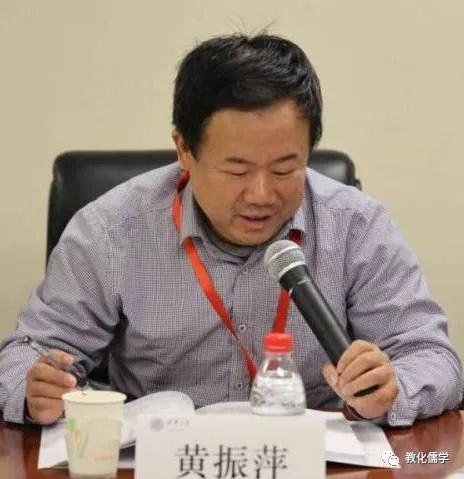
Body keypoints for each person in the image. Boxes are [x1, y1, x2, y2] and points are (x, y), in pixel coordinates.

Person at [0, 33, 462, 426]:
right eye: (237, 170)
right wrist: (36, 387)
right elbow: (25, 353)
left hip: (314, 460)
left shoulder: (357, 226)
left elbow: (434, 357)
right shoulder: (111, 230)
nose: (261, 194)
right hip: (159, 459)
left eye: (285, 169)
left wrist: (391, 389)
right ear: (184, 149)